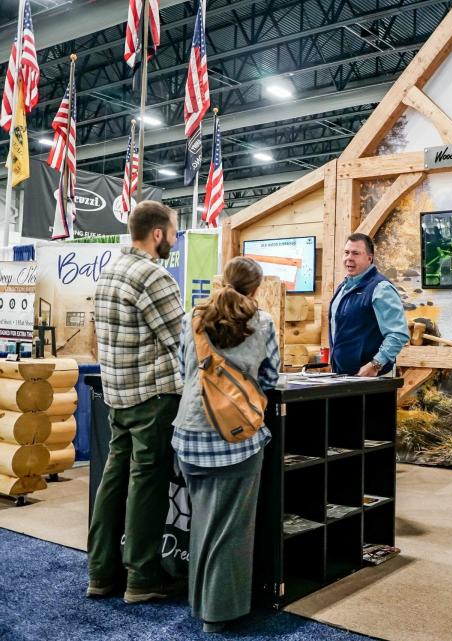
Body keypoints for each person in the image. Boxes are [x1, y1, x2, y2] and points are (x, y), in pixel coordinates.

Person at [172, 256, 280, 633]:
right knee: (231, 530)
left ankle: (198, 601)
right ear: (256, 287)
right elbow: (270, 377)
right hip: (237, 441)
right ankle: (218, 615)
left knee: (203, 522)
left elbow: (183, 370)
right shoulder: (262, 322)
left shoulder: (193, 319)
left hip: (188, 435)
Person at [87, 201, 184, 603]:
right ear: (157, 233)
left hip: (118, 395)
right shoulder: (153, 276)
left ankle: (101, 572)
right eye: (174, 230)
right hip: (153, 396)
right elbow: (183, 340)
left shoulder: (108, 272)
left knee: (113, 481)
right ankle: (141, 578)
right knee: (147, 483)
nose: (176, 237)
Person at [330, 233, 409, 376]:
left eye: (356, 253)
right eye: (346, 252)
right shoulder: (342, 288)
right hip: (342, 377)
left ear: (369, 258)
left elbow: (398, 334)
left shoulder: (381, 288)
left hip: (371, 378)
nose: (349, 258)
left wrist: (375, 365)